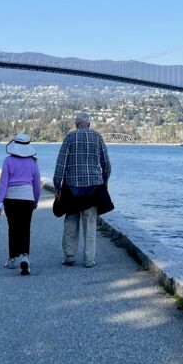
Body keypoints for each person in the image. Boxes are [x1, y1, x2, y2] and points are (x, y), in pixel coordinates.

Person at [54, 112, 111, 268]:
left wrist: (57, 185)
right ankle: (89, 259)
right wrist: (105, 181)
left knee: (71, 222)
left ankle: (70, 255)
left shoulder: (69, 137)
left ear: (76, 124)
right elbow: (106, 162)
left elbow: (60, 163)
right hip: (93, 188)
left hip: (72, 188)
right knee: (90, 223)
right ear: (89, 124)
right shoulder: (98, 137)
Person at [0, 133, 42, 275]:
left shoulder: (8, 161)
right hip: (27, 198)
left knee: (13, 228)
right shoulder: (33, 162)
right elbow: (37, 184)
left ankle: (12, 259)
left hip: (11, 198)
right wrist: (35, 200)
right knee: (25, 228)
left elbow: (3, 182)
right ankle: (25, 257)